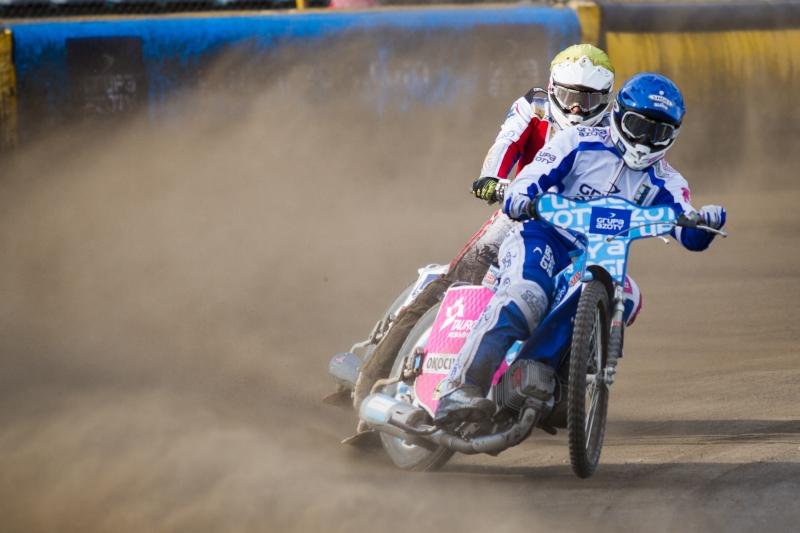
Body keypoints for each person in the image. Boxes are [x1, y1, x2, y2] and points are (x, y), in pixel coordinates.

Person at [435, 73, 727, 424]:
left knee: (628, 295)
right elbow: (532, 176)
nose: (645, 140)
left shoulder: (668, 182)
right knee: (526, 295)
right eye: (638, 126)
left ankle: (550, 381)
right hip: (543, 236)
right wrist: (521, 196)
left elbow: (688, 230)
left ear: (672, 136)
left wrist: (706, 222)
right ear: (619, 115)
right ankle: (460, 388)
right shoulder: (578, 140)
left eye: (658, 132)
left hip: (599, 256)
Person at [351, 44, 618, 414]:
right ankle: (371, 379)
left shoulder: (617, 130)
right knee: (457, 281)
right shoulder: (534, 107)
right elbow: (506, 142)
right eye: (570, 96)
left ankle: (549, 379)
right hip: (521, 215)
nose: (576, 109)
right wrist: (493, 178)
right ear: (553, 89)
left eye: (588, 100)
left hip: (583, 232)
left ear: (606, 98)